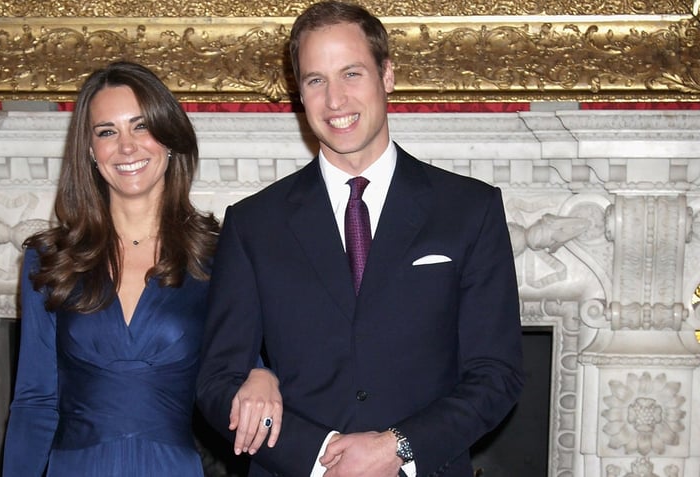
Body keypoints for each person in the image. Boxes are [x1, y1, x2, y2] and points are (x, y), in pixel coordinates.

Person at [196, 2, 525, 476]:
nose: (335, 100)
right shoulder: (253, 224)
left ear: (386, 76)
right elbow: (216, 382)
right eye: (316, 80)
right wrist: (321, 454)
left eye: (351, 74)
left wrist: (399, 448)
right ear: (299, 94)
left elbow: (498, 375)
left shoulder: (470, 210)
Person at [2, 61, 282, 477]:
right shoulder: (49, 261)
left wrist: (265, 376)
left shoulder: (219, 255)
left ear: (169, 139)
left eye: (141, 126)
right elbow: (34, 401)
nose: (126, 147)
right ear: (91, 152)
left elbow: (248, 360)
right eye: (107, 132)